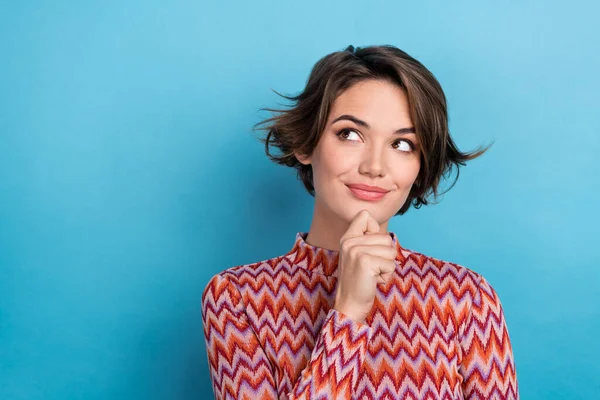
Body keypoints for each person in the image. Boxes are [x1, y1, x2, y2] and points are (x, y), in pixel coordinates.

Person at [201, 44, 519, 399]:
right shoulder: (237, 298)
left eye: (402, 144)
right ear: (306, 145)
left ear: (419, 167)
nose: (374, 166)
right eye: (350, 134)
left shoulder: (466, 297)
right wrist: (348, 314)